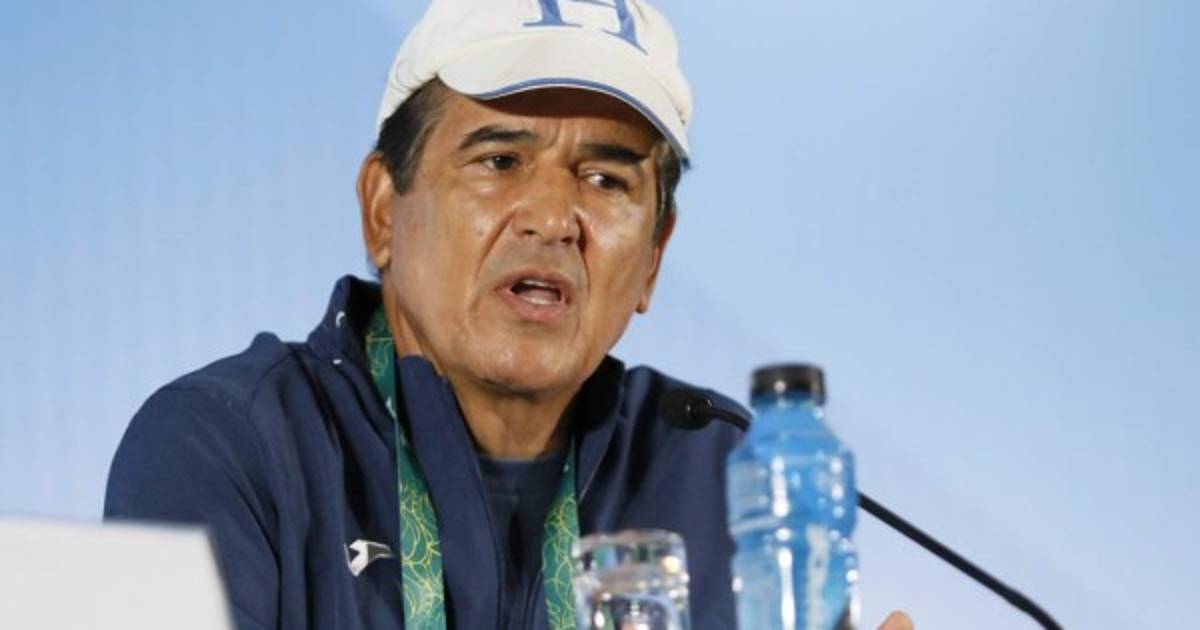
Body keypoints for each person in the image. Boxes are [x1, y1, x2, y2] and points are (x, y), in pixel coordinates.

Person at [105, 1, 914, 629]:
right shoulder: (228, 445)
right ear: (383, 209)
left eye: (606, 180)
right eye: (500, 160)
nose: (553, 217)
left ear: (654, 256)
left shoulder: (720, 473)